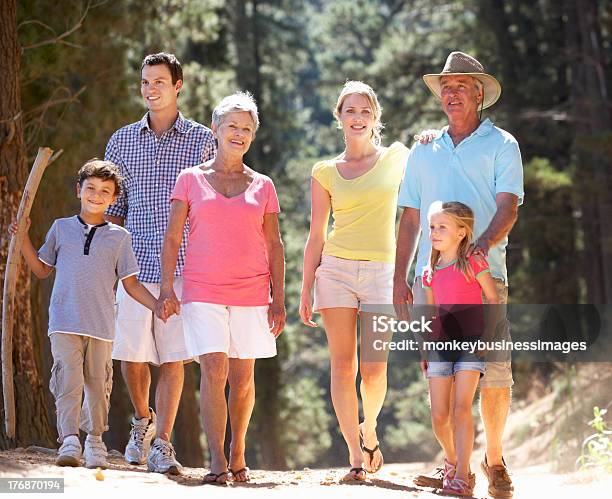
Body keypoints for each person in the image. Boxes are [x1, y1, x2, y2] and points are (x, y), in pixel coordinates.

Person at [394, 51, 523, 498]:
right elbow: (409, 217)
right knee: (440, 378)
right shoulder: (424, 147)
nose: (450, 93)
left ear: (479, 93)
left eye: (460, 86)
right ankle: (456, 467)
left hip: (485, 276)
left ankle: (495, 459)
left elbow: (508, 207)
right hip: (431, 282)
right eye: (445, 87)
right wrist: (400, 277)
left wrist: (480, 248)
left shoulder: (502, 144)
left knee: (495, 377)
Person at [159, 91, 285, 485]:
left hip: (251, 292)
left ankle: (238, 453)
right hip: (202, 290)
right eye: (232, 126)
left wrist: (278, 298)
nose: (239, 134)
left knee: (243, 376)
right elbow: (173, 237)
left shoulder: (262, 185)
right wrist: (166, 288)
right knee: (213, 369)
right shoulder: (190, 179)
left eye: (247, 129)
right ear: (215, 129)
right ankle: (216, 460)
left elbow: (275, 245)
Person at [9, 160, 165, 469]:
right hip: (64, 321)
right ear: (79, 190)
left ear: (113, 198)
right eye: (91, 188)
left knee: (98, 384)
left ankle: (95, 441)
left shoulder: (120, 237)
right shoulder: (61, 228)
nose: (96, 195)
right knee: (68, 379)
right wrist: (22, 237)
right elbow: (41, 269)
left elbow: (131, 284)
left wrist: (157, 306)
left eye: (105, 191)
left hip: (102, 325)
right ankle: (69, 440)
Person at [104, 52, 216, 474]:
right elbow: (115, 205)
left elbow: (212, 205)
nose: (151, 89)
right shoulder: (121, 141)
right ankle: (142, 421)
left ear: (177, 86)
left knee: (172, 358)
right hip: (133, 267)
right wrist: (104, 258)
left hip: (184, 267)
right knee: (131, 356)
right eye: (145, 82)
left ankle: (163, 444)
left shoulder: (203, 140)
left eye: (159, 82)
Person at [299, 81, 408, 481]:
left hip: (382, 272)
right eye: (350, 111)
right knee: (343, 367)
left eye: (365, 110)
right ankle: (355, 456)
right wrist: (306, 286)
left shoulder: (398, 158)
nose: (358, 117)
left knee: (375, 370)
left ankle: (370, 428)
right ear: (339, 117)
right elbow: (316, 235)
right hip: (336, 272)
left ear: (375, 116)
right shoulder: (325, 171)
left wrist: (429, 138)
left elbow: (429, 175)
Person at [420, 201, 499, 496]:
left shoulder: (474, 262)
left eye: (442, 227)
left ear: (461, 232)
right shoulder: (430, 271)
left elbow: (493, 299)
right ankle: (452, 461)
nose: (434, 232)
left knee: (461, 408)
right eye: (431, 227)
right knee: (440, 416)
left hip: (471, 344)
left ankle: (462, 477)